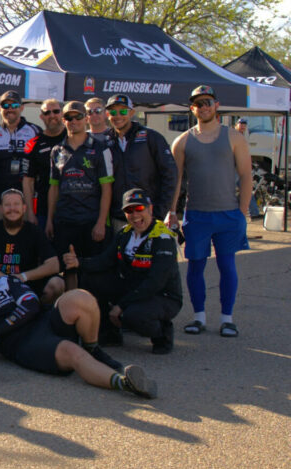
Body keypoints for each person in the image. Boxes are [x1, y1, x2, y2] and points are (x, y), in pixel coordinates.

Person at [0, 247, 157, 399]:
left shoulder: (7, 281)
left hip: (43, 320)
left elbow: (32, 305)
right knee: (72, 352)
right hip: (24, 344)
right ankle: (125, 383)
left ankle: (93, 348)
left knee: (80, 297)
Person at [167, 85, 253, 338]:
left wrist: (243, 211)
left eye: (207, 102)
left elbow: (246, 175)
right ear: (192, 108)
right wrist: (172, 212)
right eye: (198, 103)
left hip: (228, 214)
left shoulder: (234, 137)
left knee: (227, 266)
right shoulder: (182, 141)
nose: (203, 107)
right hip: (196, 215)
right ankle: (199, 317)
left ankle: (227, 318)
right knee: (195, 267)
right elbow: (176, 180)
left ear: (216, 105)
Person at [63, 189, 182, 353]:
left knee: (132, 315)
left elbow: (155, 282)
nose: (134, 215)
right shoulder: (125, 234)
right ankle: (109, 333)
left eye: (139, 209)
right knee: (90, 278)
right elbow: (105, 260)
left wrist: (121, 305)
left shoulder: (163, 238)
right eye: (129, 210)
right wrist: (78, 262)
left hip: (162, 295)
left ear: (150, 209)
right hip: (133, 288)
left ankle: (163, 334)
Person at [46, 101, 114, 291]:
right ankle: (71, 311)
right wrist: (50, 221)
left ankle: (93, 314)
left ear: (86, 119)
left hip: (92, 221)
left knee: (93, 271)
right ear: (63, 120)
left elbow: (107, 188)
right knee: (68, 270)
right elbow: (53, 188)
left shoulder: (101, 149)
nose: (73, 121)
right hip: (65, 221)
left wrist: (101, 222)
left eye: (77, 117)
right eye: (68, 117)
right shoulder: (57, 151)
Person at [103, 94, 177, 230]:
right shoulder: (104, 140)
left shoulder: (151, 137)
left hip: (148, 217)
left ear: (131, 112)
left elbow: (170, 175)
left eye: (123, 111)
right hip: (118, 218)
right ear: (107, 114)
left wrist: (159, 213)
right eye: (113, 112)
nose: (118, 116)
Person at [0, 189, 63, 304]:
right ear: (1, 209)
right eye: (7, 205)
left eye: (16, 204)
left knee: (57, 284)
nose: (12, 209)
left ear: (24, 208)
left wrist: (23, 276)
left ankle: (41, 315)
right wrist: (8, 281)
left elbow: (54, 265)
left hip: (28, 284)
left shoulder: (35, 231)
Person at [0, 90, 42, 224]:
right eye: (5, 106)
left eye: (14, 105)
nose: (10, 109)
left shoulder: (35, 131)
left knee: (25, 241)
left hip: (26, 200)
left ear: (22, 108)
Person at [22, 98, 66, 230]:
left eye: (56, 111)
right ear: (41, 117)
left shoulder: (73, 137)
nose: (52, 115)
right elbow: (27, 181)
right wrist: (30, 212)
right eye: (47, 113)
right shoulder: (33, 144)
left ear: (62, 113)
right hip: (43, 209)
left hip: (72, 209)